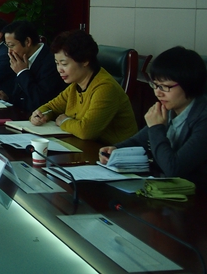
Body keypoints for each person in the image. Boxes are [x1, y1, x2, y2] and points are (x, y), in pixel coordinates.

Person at [100, 47, 207, 189]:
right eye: (155, 85)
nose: (158, 93)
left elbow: (174, 169)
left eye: (165, 87)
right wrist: (115, 150)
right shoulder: (170, 108)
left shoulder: (203, 118)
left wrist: (157, 128)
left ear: (189, 84)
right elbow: (140, 141)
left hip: (197, 194)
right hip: (166, 188)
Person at [30, 30, 137, 145]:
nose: (59, 69)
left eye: (64, 64)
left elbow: (86, 131)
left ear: (85, 60)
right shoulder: (76, 85)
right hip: (88, 147)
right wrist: (41, 114)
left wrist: (64, 121)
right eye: (57, 63)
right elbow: (51, 107)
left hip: (116, 151)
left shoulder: (105, 88)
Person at [0, 21, 66, 113]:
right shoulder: (20, 57)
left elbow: (41, 101)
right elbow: (23, 96)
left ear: (27, 42)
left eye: (11, 46)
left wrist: (22, 72)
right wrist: (8, 97)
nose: (9, 51)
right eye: (7, 46)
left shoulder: (52, 61)